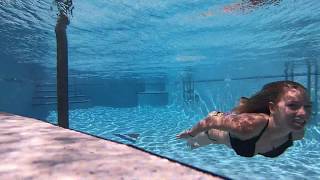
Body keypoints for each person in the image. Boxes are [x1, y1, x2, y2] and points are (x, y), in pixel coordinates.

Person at [176, 81, 312, 158]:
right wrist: (190, 133)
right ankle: (237, 108)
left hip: (240, 127)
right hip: (215, 133)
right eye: (292, 105)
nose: (303, 113)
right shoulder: (250, 126)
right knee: (194, 144)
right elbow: (210, 122)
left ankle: (243, 105)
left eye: (307, 106)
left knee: (240, 112)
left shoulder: (297, 133)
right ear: (272, 108)